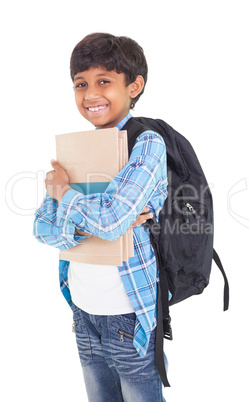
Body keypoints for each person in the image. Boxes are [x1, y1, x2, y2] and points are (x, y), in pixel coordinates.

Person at [33, 33, 168, 402]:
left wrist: (64, 195)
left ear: (134, 85)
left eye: (104, 81)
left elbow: (109, 221)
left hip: (127, 316)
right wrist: (102, 219)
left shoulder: (147, 143)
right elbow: (41, 229)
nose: (90, 95)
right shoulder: (78, 149)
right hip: (82, 312)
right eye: (81, 84)